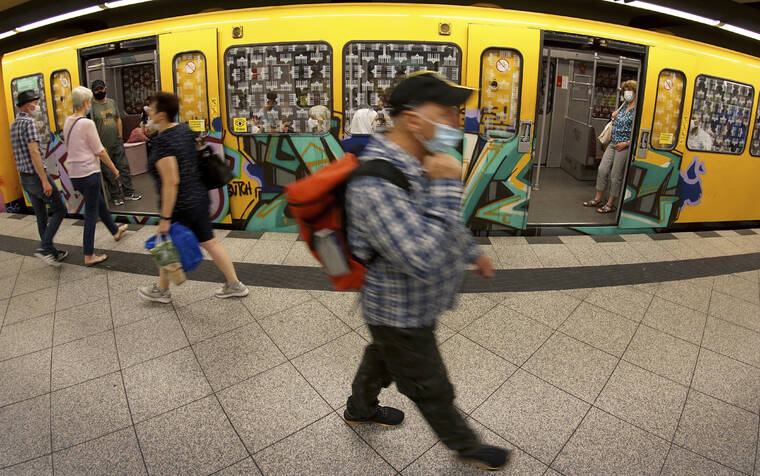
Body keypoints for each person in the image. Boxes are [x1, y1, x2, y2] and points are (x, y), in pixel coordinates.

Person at [342, 71, 511, 471]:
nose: (457, 122)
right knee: (430, 384)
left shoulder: (419, 160)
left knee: (383, 355)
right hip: (397, 308)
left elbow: (438, 225)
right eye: (448, 112)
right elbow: (421, 257)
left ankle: (359, 407)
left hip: (413, 305)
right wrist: (449, 186)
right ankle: (466, 446)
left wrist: (472, 252)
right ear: (414, 120)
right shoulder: (375, 181)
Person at [138, 91, 249, 302]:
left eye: (151, 108)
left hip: (180, 205)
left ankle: (161, 291)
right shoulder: (185, 130)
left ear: (161, 114)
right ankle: (234, 284)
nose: (148, 111)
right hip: (199, 198)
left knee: (167, 245)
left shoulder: (162, 142)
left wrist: (165, 218)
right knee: (210, 242)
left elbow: (171, 181)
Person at [63, 86, 129, 266]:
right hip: (88, 173)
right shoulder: (87, 123)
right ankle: (89, 255)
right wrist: (114, 168)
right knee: (91, 214)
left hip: (75, 175)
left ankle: (115, 231)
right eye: (90, 101)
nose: (91, 104)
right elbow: (100, 150)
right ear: (85, 103)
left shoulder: (68, 121)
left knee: (98, 202)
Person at [10, 89, 68, 266]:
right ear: (28, 105)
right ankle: (44, 248)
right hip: (36, 176)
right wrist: (44, 180)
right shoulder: (29, 123)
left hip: (25, 178)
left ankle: (50, 252)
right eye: (36, 102)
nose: (38, 106)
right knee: (60, 209)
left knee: (41, 215)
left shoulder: (14, 125)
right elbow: (34, 152)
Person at [583, 80, 638, 214]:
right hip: (612, 143)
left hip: (623, 146)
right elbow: (615, 119)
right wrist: (614, 116)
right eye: (626, 90)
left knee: (615, 175)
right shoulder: (624, 105)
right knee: (602, 170)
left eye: (629, 90)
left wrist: (627, 143)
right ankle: (598, 198)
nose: (627, 93)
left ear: (635, 92)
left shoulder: (638, 109)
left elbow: (638, 130)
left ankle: (610, 203)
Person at [90, 79, 142, 206]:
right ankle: (116, 196)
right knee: (109, 172)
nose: (99, 91)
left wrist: (120, 135)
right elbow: (91, 127)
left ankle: (128, 192)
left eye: (101, 89)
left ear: (105, 88)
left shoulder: (112, 102)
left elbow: (118, 119)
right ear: (93, 92)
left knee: (124, 167)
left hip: (117, 142)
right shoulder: (91, 107)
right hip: (102, 147)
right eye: (97, 90)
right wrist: (98, 145)